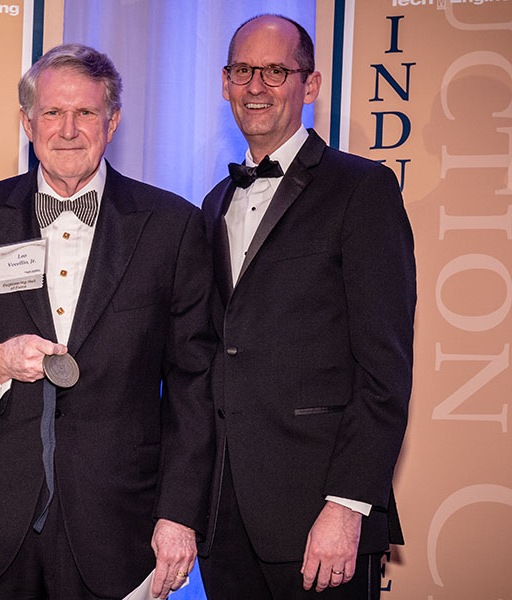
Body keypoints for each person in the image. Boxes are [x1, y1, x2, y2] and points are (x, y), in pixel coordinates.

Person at [0, 43, 216, 600]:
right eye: (53, 113)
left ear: (112, 122)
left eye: (85, 113)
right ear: (26, 122)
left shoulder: (170, 226)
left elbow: (194, 385)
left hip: (120, 525)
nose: (67, 129)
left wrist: (180, 514)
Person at [198, 14, 416, 600]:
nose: (257, 86)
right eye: (243, 70)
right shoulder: (215, 200)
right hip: (226, 518)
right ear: (224, 83)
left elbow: (385, 369)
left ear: (310, 85)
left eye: (276, 71)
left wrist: (346, 506)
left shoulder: (361, 188)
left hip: (320, 516)